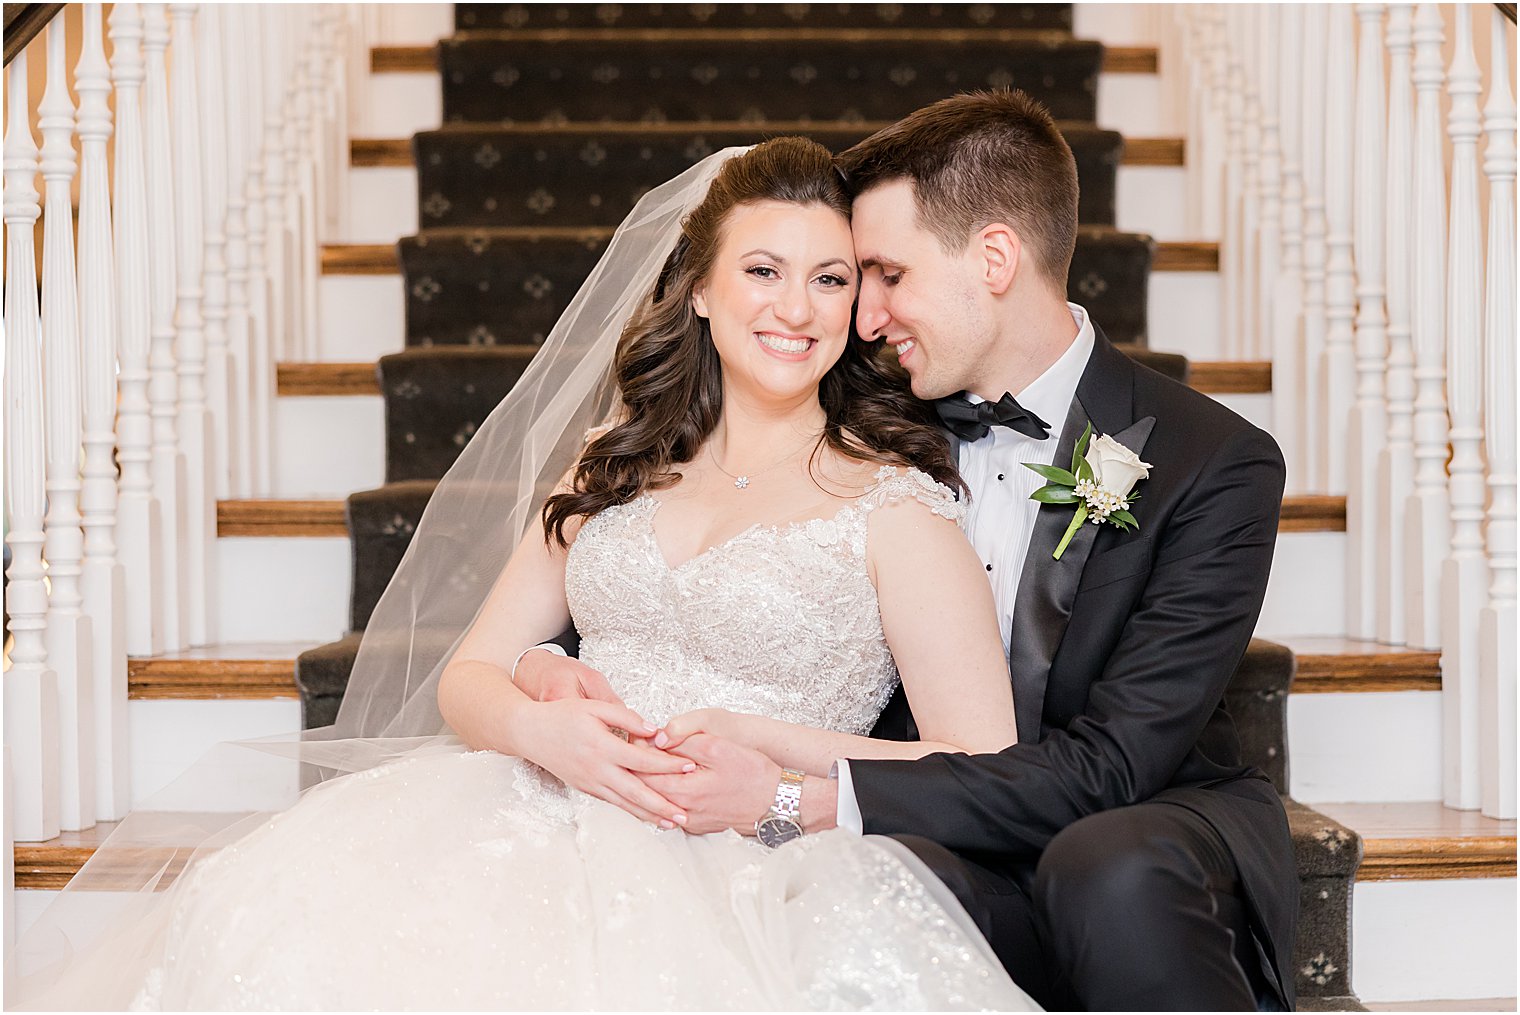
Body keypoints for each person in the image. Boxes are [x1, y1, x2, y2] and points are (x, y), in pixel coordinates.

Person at [10, 139, 1042, 1011]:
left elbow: (982, 762)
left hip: (755, 858)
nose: (798, 308)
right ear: (697, 292)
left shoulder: (895, 508)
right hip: (526, 807)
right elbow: (471, 673)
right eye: (762, 271)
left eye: (830, 278)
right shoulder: (617, 458)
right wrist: (540, 721)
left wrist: (773, 777)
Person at [520, 92, 1301, 1011]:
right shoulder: (861, 410)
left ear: (996, 257)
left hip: (1129, 811)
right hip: (915, 817)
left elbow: (1115, 764)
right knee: (858, 894)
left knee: (1106, 864)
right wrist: (549, 658)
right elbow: (708, 534)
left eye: (884, 273)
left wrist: (790, 794)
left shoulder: (1210, 460)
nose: (865, 314)